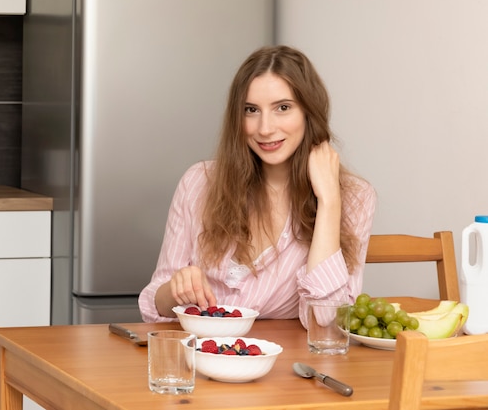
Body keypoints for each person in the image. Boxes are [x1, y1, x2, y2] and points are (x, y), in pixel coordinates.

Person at [138, 45, 376, 327]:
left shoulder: (355, 198)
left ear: (309, 113)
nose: (264, 128)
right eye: (251, 110)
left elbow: (326, 320)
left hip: (287, 364)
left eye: (282, 108)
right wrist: (175, 290)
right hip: (201, 358)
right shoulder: (198, 182)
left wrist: (329, 202)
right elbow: (152, 306)